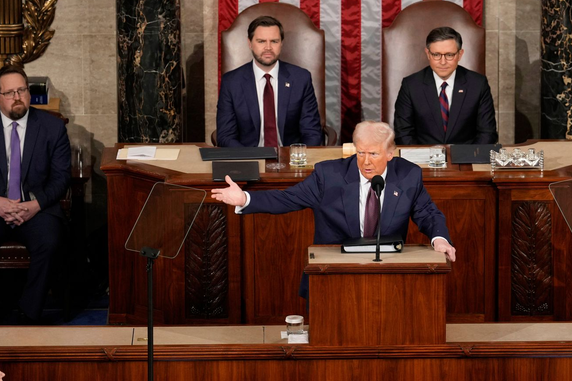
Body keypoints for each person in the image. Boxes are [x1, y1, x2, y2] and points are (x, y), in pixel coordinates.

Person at [211, 121, 455, 296]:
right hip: (333, 278)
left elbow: (427, 213)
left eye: (373, 153)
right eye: (360, 153)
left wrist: (440, 239)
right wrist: (244, 198)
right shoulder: (329, 175)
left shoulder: (408, 175)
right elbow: (287, 199)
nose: (366, 161)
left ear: (390, 153)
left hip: (388, 278)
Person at [0, 65, 71, 323]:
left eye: (22, 90)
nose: (17, 97)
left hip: (37, 208)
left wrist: (35, 205)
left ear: (29, 93)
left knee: (49, 241)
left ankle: (29, 314)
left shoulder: (53, 127)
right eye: (9, 92)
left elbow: (61, 178)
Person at [216, 15, 323, 147]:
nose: (268, 47)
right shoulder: (232, 82)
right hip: (249, 159)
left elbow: (312, 132)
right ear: (249, 43)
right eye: (261, 41)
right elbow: (226, 135)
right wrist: (249, 159)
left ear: (281, 43)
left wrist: (298, 158)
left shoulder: (301, 79)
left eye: (274, 41)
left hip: (291, 159)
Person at [393, 26, 497, 145]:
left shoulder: (478, 84)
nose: (443, 62)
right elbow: (403, 133)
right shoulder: (411, 85)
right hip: (422, 160)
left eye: (449, 55)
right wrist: (420, 160)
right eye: (436, 55)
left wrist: (471, 159)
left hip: (466, 160)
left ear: (460, 54)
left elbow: (487, 133)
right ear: (428, 54)